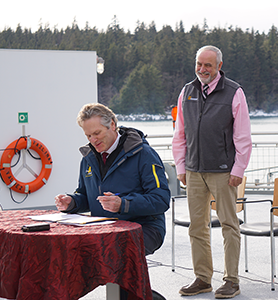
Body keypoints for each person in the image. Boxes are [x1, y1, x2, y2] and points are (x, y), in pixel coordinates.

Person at [54, 103, 170, 299]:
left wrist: (123, 204)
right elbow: (85, 196)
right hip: (105, 229)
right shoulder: (88, 158)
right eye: (88, 136)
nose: (93, 140)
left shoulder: (143, 154)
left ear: (113, 125)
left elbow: (161, 199)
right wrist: (72, 202)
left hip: (145, 227)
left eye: (97, 133)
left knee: (117, 260)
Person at [172, 45, 252, 299]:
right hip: (194, 171)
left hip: (223, 171)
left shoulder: (234, 92)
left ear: (219, 66)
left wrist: (239, 168)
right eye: (199, 64)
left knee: (229, 224)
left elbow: (242, 135)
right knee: (197, 226)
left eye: (208, 65)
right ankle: (202, 278)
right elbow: (180, 134)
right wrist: (181, 166)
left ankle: (232, 280)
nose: (202, 69)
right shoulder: (187, 91)